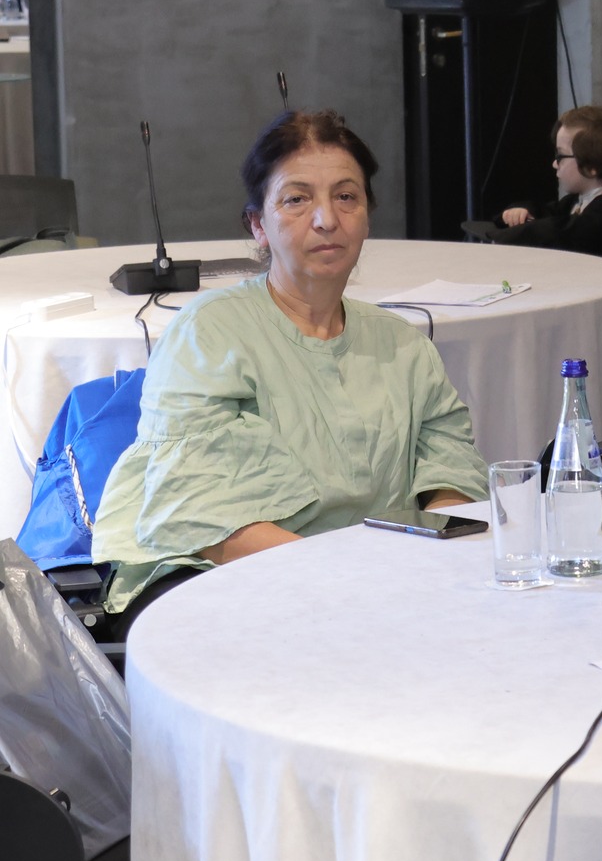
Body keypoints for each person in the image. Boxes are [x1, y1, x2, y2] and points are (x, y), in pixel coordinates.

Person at [90, 111, 488, 635]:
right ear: (258, 225)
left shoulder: (402, 344)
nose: (327, 219)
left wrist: (434, 558)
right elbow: (205, 518)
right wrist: (349, 582)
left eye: (346, 196)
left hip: (374, 581)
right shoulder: (210, 333)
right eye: (297, 199)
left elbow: (452, 475)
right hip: (218, 577)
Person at [496, 104, 602, 293]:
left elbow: (563, 233)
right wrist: (522, 211)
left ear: (592, 165)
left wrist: (508, 236)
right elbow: (547, 212)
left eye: (560, 155)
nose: (554, 164)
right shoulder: (577, 200)